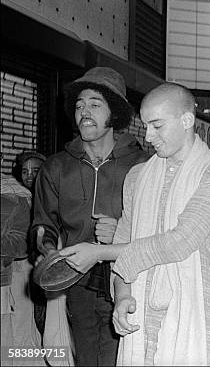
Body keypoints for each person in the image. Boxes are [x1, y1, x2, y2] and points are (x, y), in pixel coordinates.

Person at [59, 83, 210, 365]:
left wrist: (98, 252)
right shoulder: (138, 176)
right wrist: (121, 296)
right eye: (145, 126)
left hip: (199, 318)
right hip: (141, 321)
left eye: (157, 126)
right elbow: (124, 243)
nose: (149, 136)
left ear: (186, 121)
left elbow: (181, 241)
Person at [31, 67, 149, 366]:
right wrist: (48, 252)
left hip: (128, 280)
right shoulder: (56, 167)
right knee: (86, 359)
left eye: (95, 104)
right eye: (80, 105)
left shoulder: (143, 165)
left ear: (115, 114)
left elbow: (160, 227)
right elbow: (42, 225)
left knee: (122, 359)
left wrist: (123, 230)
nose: (84, 112)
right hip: (77, 283)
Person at [2, 169, 43, 366]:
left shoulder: (14, 195)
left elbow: (21, 244)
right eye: (25, 170)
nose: (30, 175)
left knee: (17, 340)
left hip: (16, 279)